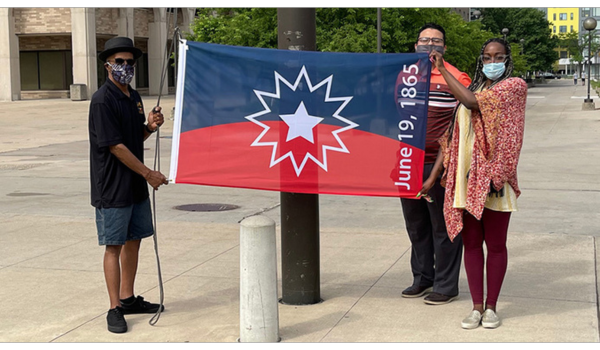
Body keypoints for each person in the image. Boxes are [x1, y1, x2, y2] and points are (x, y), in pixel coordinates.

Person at [428, 38, 527, 329]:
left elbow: (473, 105)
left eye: (498, 57)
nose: (492, 62)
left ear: (508, 59)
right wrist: (434, 176)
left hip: (496, 178)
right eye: (486, 57)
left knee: (495, 245)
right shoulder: (472, 88)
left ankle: (492, 308)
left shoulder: (513, 86)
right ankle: (475, 307)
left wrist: (442, 68)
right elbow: (451, 137)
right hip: (465, 179)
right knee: (471, 244)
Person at [89, 36, 169, 333]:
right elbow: (116, 147)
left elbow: (134, 139)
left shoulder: (133, 97)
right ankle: (114, 308)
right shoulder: (102, 100)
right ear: (108, 64)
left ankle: (128, 298)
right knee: (114, 245)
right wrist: (149, 173)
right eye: (120, 61)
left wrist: (149, 126)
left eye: (130, 62)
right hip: (112, 185)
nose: (125, 66)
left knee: (134, 239)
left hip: (134, 183)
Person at [399, 23, 472, 305]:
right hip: (407, 161)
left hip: (441, 163)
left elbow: (460, 127)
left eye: (436, 41)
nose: (430, 45)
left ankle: (446, 285)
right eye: (424, 40)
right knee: (416, 225)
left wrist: (439, 169)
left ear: (445, 47)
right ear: (415, 45)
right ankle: (422, 278)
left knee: (444, 226)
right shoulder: (403, 76)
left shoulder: (457, 77)